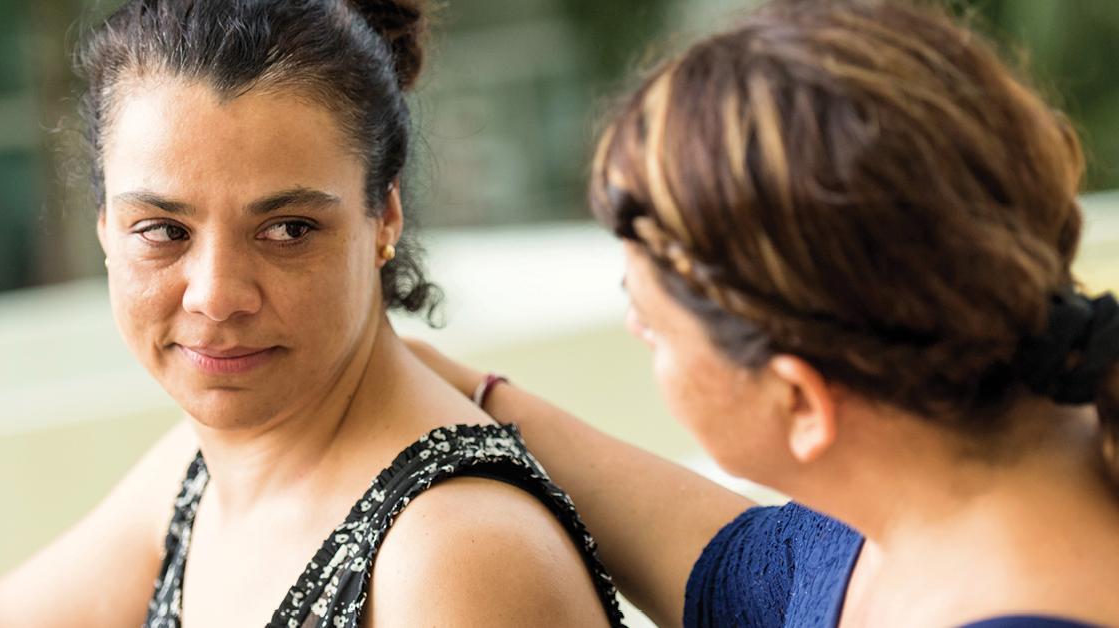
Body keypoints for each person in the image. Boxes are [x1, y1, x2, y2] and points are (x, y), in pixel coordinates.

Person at [408, 1, 1119, 627]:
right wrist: (466, 392)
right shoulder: (929, 493)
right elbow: (743, 579)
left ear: (800, 401)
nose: (635, 329)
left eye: (655, 327)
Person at [0, 2, 624, 628]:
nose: (216, 294)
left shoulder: (454, 557)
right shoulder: (204, 471)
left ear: (384, 215)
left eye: (288, 229)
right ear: (106, 227)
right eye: (163, 230)